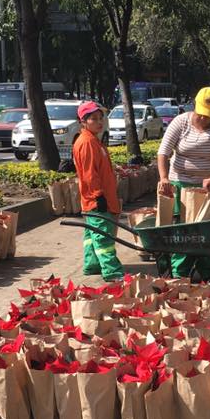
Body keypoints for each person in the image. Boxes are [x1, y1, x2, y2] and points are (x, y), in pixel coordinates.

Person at [157, 86, 210, 277]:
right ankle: (180, 274)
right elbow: (163, 153)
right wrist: (164, 178)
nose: (203, 118)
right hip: (181, 185)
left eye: (208, 115)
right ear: (194, 106)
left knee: (209, 233)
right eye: (200, 113)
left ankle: (208, 273)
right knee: (183, 233)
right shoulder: (180, 123)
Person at [73, 100, 124, 282]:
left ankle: (91, 264)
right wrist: (98, 195)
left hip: (96, 198)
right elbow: (89, 174)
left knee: (91, 234)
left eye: (100, 118)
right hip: (97, 200)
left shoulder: (93, 141)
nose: (99, 122)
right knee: (103, 237)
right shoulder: (87, 143)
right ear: (83, 121)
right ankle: (113, 272)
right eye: (93, 118)